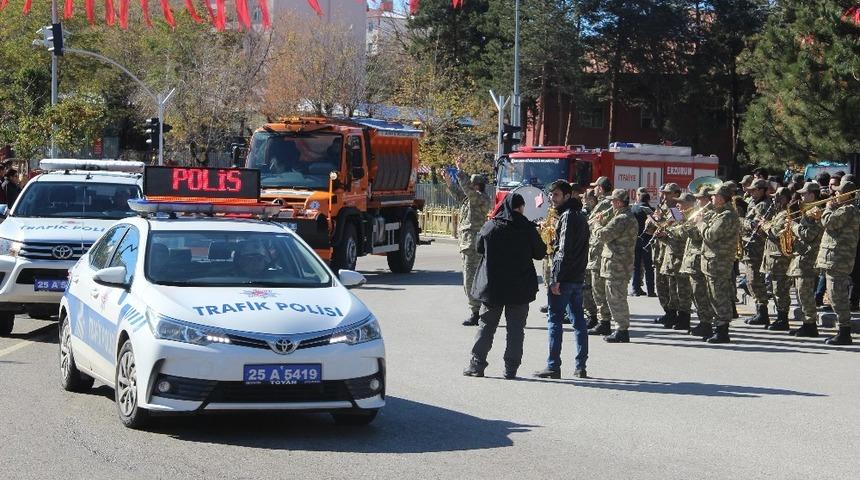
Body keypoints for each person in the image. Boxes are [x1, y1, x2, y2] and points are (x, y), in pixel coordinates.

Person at [463, 193, 546, 379]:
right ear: (521, 207)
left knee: (486, 326)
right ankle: (510, 369)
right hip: (519, 288)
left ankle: (476, 365)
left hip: (493, 288)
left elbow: (479, 247)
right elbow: (540, 253)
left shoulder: (491, 226)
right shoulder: (527, 228)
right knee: (516, 330)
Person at [534, 181, 589, 379]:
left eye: (556, 195)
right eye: (551, 195)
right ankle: (580, 366)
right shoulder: (580, 215)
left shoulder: (567, 216)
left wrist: (556, 278)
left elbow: (563, 250)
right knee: (578, 321)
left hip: (565, 278)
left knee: (555, 320)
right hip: (577, 277)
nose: (552, 198)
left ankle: (553, 366)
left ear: (567, 196)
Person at [443, 158, 493, 326]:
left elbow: (466, 191)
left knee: (471, 281)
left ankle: (476, 312)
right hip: (467, 245)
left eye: (471, 184)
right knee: (469, 280)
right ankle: (478, 310)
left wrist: (460, 171)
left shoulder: (481, 198)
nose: (468, 187)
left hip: (474, 246)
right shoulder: (470, 199)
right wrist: (449, 181)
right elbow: (459, 194)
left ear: (476, 185)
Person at [815, 181, 860, 345]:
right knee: (834, 295)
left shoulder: (848, 209)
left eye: (839, 192)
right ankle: (842, 330)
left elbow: (829, 222)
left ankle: (844, 332)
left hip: (839, 259)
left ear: (847, 195)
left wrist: (827, 208)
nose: (835, 194)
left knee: (837, 295)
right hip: (834, 258)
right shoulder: (843, 209)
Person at [591, 189, 639, 343]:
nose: (611, 204)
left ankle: (622, 330)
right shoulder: (620, 217)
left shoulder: (622, 218)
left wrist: (597, 224)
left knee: (616, 298)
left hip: (617, 264)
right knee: (611, 297)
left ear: (618, 202)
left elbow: (604, 235)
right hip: (616, 263)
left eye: (613, 201)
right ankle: (613, 326)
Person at [697, 184, 742, 343]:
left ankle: (723, 331)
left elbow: (711, 235)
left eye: (714, 196)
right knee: (713, 295)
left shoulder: (727, 216)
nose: (711, 198)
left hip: (719, 262)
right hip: (713, 261)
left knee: (719, 295)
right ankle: (718, 328)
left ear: (722, 198)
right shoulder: (720, 214)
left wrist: (700, 223)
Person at [787, 182, 824, 337]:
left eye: (804, 194)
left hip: (809, 258)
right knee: (800, 293)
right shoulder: (806, 211)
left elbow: (808, 235)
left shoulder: (816, 212)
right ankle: (806, 324)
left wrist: (793, 226)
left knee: (805, 293)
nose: (801, 197)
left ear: (812, 195)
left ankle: (810, 325)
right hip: (801, 257)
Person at [656, 192, 696, 331]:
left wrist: (670, 231)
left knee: (683, 291)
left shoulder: (691, 217)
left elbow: (684, 235)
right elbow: (670, 238)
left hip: (682, 259)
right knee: (673, 291)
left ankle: (684, 319)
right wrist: (662, 235)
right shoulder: (677, 215)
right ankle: (675, 317)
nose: (677, 205)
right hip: (671, 258)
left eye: (681, 203)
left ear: (689, 204)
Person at [683, 186, 717, 339]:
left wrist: (691, 223)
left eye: (700, 198)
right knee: (696, 293)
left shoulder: (709, 214)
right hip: (693, 258)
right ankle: (704, 322)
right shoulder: (701, 213)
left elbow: (697, 236)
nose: (697, 201)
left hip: (700, 258)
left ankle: (706, 323)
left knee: (701, 293)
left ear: (708, 199)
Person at [759, 187, 793, 330]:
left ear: (783, 199)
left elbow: (775, 232)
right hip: (773, 259)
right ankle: (780, 317)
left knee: (781, 290)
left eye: (776, 198)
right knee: (775, 290)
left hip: (780, 260)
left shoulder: (785, 214)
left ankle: (783, 320)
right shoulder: (778, 213)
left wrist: (764, 224)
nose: (773, 200)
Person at [741, 178, 773, 326]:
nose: (751, 193)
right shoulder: (753, 203)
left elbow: (755, 225)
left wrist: (742, 221)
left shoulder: (764, 205)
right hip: (749, 245)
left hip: (757, 247)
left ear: (762, 190)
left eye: (754, 190)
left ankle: (763, 312)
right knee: (750, 280)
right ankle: (760, 310)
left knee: (755, 280)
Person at [585, 176, 615, 336]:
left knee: (598, 289)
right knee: (598, 289)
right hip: (600, 251)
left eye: (596, 187)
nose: (594, 190)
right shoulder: (607, 202)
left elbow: (590, 222)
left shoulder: (604, 203)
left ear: (601, 189)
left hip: (598, 252)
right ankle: (601, 320)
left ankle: (604, 322)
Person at [649, 183, 681, 326]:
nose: (664, 196)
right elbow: (650, 229)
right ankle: (668, 312)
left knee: (671, 287)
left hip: (671, 252)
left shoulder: (677, 210)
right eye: (663, 193)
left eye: (668, 193)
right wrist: (652, 220)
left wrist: (662, 222)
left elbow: (679, 229)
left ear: (676, 194)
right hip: (659, 252)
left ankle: (674, 313)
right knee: (660, 285)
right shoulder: (661, 208)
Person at [630, 187, 655, 297]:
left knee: (636, 266)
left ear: (638, 198)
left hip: (636, 240)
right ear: (648, 200)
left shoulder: (633, 209)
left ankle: (635, 289)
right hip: (647, 241)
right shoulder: (651, 210)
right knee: (649, 266)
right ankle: (651, 291)